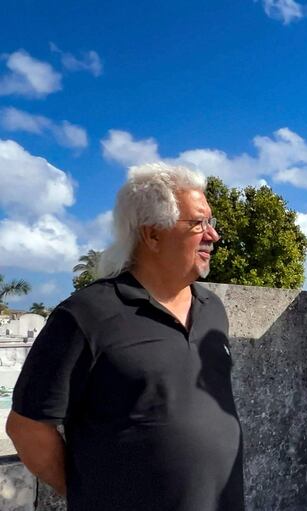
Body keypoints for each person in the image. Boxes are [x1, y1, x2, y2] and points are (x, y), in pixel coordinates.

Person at [7, 163, 244, 511]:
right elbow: (27, 427)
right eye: (198, 224)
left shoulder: (212, 309)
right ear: (152, 234)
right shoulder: (86, 315)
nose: (213, 235)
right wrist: (93, 495)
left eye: (210, 222)